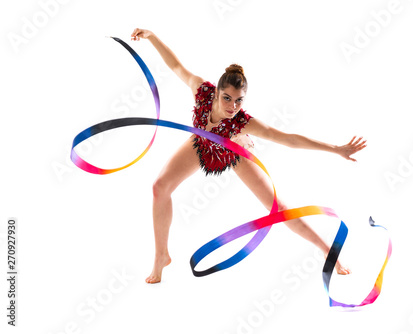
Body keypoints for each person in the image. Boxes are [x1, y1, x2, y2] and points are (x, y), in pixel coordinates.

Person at [130, 28, 367, 284]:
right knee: (159, 187)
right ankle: (161, 254)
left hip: (234, 150)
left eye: (239, 101)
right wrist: (151, 36)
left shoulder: (242, 123)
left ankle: (328, 251)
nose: (233, 107)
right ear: (216, 92)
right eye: (227, 98)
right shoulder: (201, 92)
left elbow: (288, 139)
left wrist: (336, 149)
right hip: (202, 141)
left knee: (278, 208)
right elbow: (176, 66)